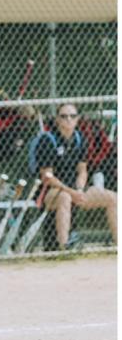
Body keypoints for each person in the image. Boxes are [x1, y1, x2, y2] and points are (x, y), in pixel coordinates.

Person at [36, 103, 117, 250]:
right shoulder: (48, 140)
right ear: (57, 120)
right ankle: (64, 248)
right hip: (52, 192)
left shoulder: (80, 139)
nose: (68, 119)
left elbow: (82, 170)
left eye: (72, 116)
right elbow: (48, 177)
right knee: (64, 198)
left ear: (77, 119)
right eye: (64, 116)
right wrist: (71, 192)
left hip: (75, 190)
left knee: (113, 198)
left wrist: (79, 189)